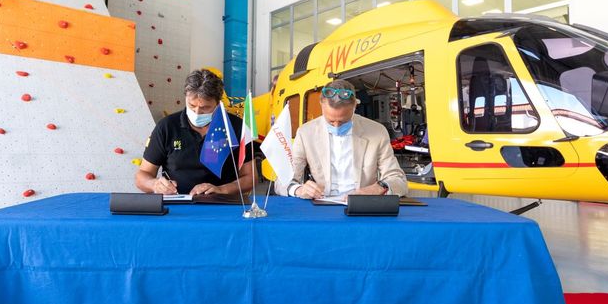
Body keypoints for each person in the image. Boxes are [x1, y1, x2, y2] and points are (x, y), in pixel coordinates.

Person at [275, 79, 408, 199]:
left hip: (361, 206)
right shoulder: (306, 133)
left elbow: (398, 180)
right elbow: (281, 182)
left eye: (343, 121)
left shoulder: (377, 132)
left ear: (355, 106)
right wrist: (298, 189)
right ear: (321, 105)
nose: (337, 126)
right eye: (330, 121)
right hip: (321, 205)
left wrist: (377, 189)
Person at [135, 68, 254, 196]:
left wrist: (222, 190)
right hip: (177, 201)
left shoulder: (236, 127)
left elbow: (251, 177)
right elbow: (142, 176)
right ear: (186, 98)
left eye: (205, 108)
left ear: (218, 104)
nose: (197, 112)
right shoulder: (167, 127)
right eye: (192, 105)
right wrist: (154, 184)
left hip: (222, 201)